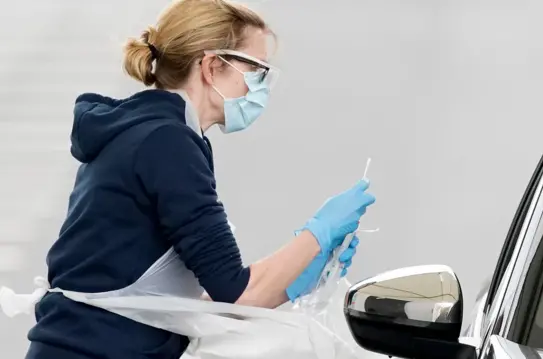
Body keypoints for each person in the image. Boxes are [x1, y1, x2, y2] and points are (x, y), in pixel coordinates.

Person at [24, 0, 376, 358]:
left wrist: (296, 278)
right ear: (211, 66)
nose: (263, 87)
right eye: (257, 71)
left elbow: (185, 300)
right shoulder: (167, 143)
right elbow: (238, 291)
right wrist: (318, 234)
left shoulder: (151, 133)